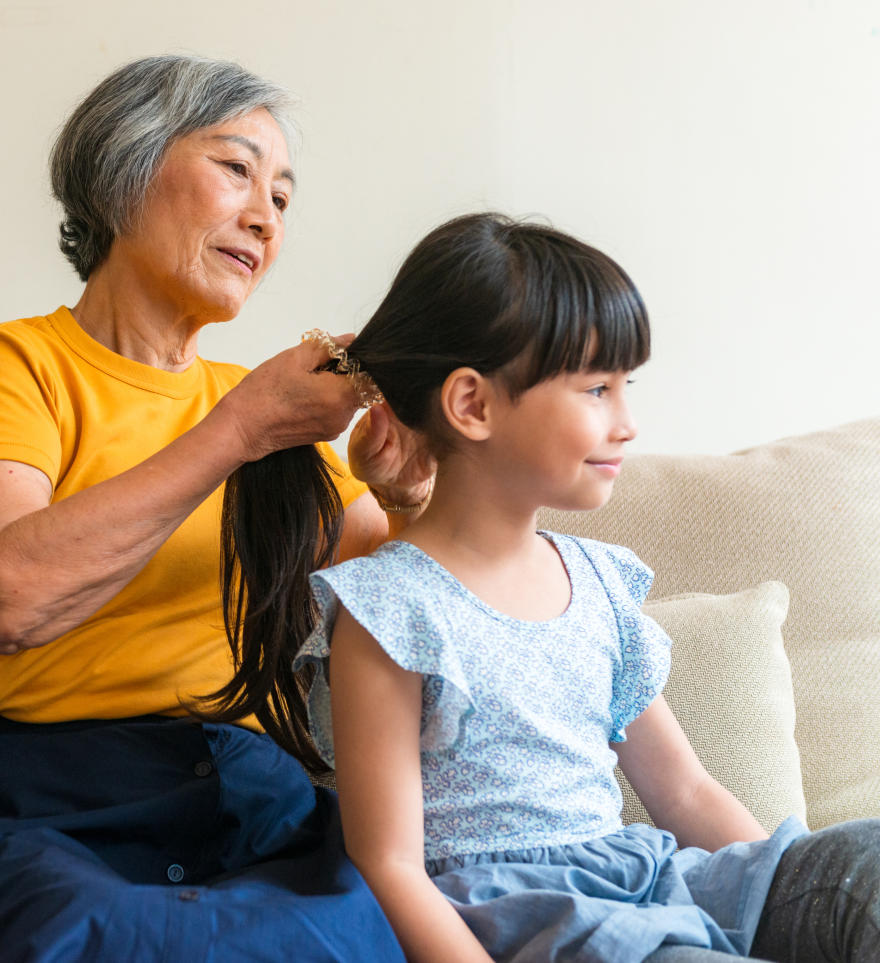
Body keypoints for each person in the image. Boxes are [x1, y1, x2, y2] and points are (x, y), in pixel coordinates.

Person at [223, 212, 880, 962]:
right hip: (529, 917)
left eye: (625, 386)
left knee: (865, 866)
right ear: (472, 404)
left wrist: (784, 897)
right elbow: (391, 865)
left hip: (647, 881)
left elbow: (686, 792)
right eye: (597, 389)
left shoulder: (600, 580)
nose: (627, 423)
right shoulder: (388, 609)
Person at [0, 54, 429, 961]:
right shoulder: (17, 362)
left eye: (283, 194)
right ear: (124, 172)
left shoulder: (272, 412)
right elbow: (9, 594)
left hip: (251, 795)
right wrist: (238, 429)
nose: (267, 215)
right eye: (236, 168)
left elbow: (409, 616)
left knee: (360, 928)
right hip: (44, 801)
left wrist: (408, 494)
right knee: (72, 930)